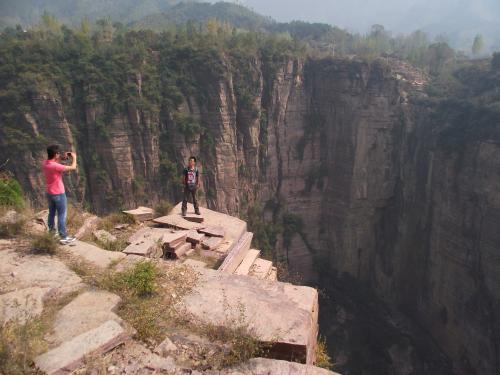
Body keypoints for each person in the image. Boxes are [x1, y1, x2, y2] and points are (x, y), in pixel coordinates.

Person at [42, 145, 77, 244]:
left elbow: (54, 162)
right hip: (59, 193)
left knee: (52, 213)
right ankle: (63, 237)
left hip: (50, 193)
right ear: (56, 154)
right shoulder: (55, 166)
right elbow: (73, 167)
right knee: (62, 215)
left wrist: (63, 158)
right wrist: (74, 157)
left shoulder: (45, 163)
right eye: (58, 153)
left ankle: (52, 233)